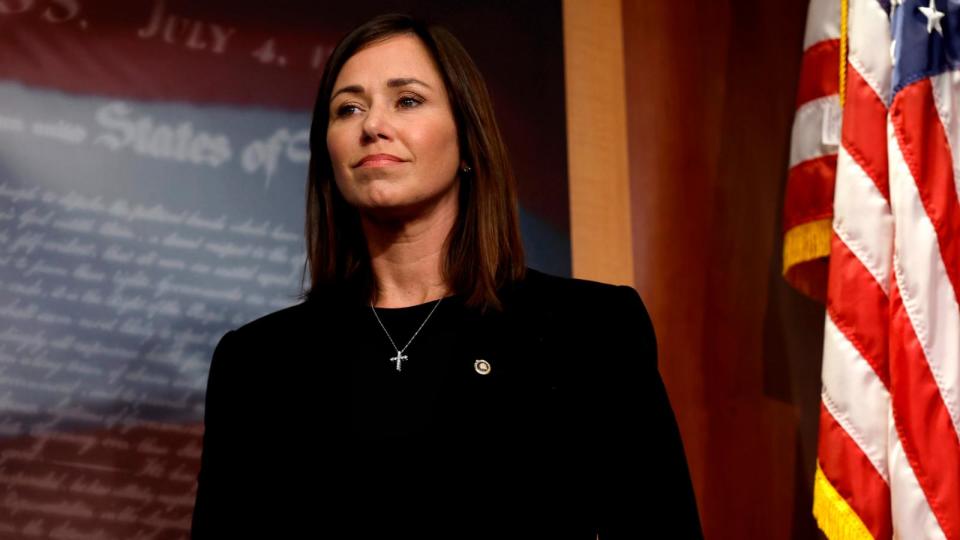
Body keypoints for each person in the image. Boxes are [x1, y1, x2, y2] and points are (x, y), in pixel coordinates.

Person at [190, 12, 702, 539]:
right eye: (348, 109)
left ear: (467, 138)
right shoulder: (255, 363)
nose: (372, 125)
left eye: (407, 100)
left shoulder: (592, 330)